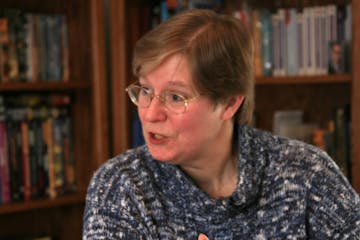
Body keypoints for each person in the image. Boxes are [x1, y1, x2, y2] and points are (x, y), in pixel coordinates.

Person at [83, 9, 360, 239]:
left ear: (229, 103)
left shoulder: (307, 174)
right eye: (145, 91)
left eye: (175, 97)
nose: (150, 113)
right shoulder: (119, 186)